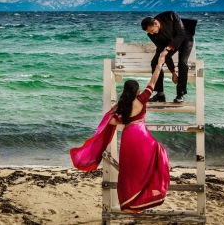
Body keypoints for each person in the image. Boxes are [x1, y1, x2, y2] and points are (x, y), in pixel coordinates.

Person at [70, 57, 170, 212]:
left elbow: (109, 121)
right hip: (141, 135)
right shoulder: (142, 98)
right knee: (157, 154)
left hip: (128, 136)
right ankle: (145, 195)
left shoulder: (121, 104)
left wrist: (122, 122)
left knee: (128, 170)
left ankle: (128, 203)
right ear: (137, 90)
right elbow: (154, 80)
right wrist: (158, 65)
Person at [141, 11, 197, 103]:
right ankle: (160, 95)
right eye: (149, 32)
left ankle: (180, 94)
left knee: (182, 63)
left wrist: (167, 49)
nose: (151, 34)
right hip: (169, 44)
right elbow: (164, 54)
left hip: (185, 39)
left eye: (151, 30)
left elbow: (181, 34)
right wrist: (173, 73)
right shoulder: (152, 35)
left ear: (155, 23)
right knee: (155, 62)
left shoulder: (170, 15)